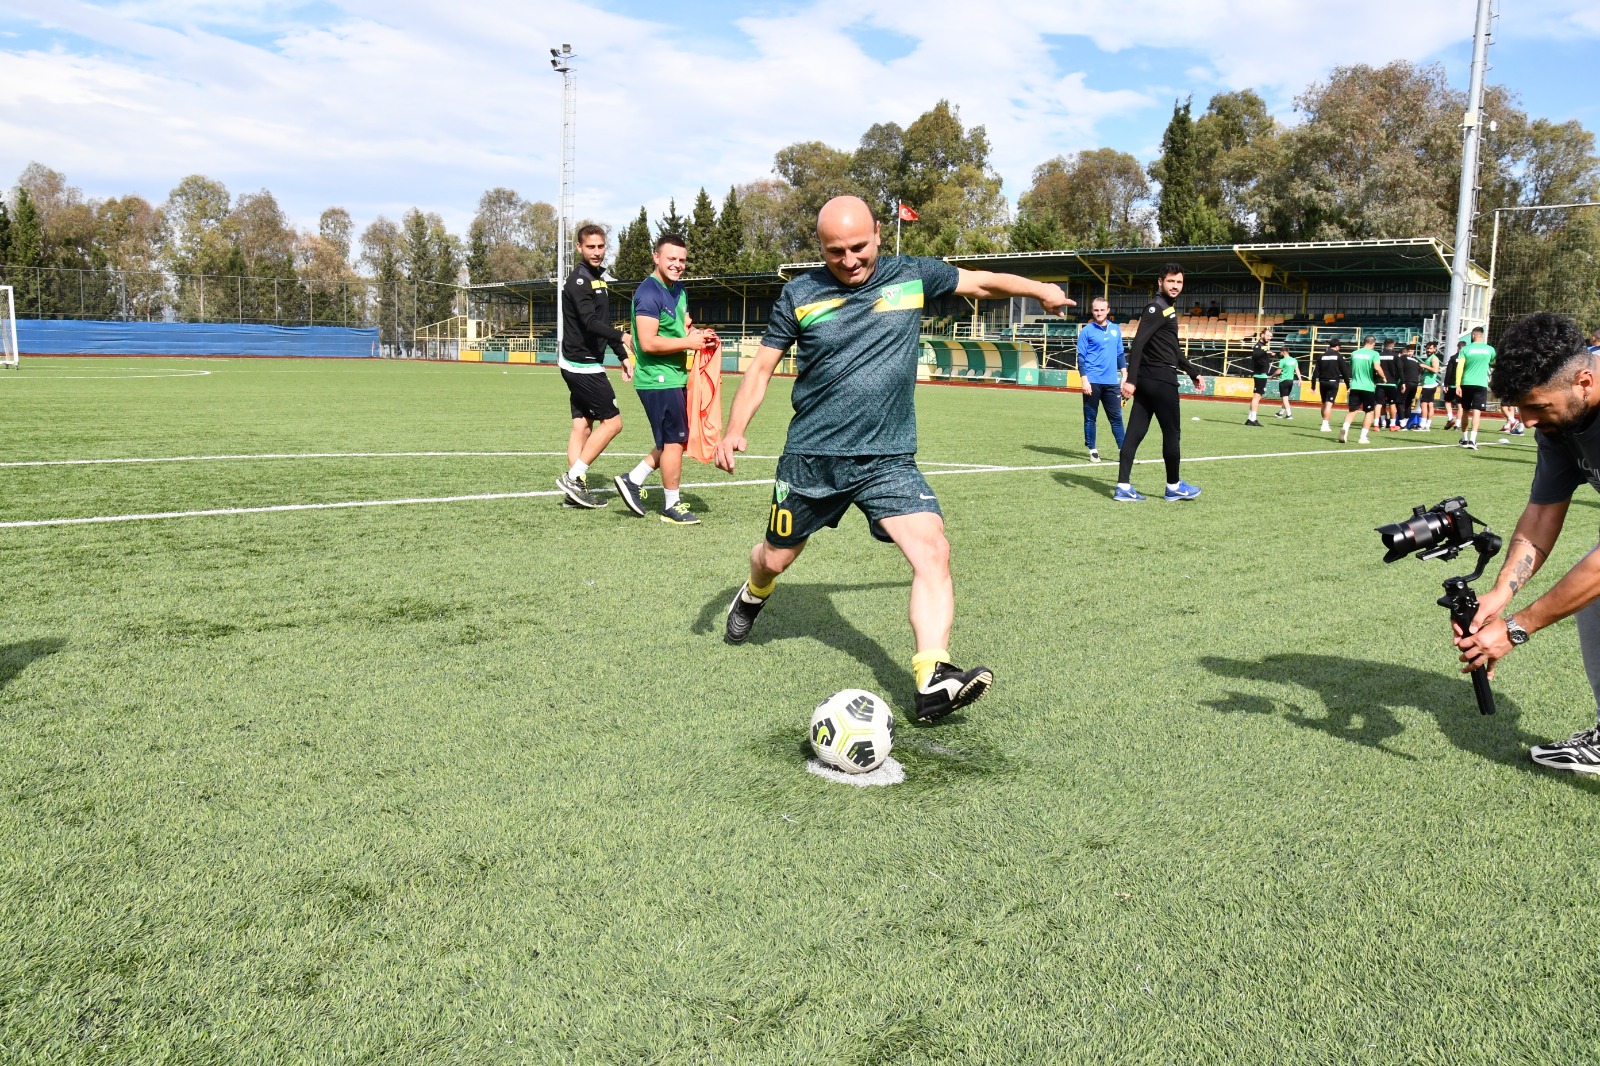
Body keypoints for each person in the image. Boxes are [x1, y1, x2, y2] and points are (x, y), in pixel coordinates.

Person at [715, 196, 1074, 722]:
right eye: (835, 251)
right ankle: (754, 593)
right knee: (775, 556)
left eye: (859, 246)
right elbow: (762, 367)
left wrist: (1039, 288)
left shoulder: (913, 276)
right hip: (812, 459)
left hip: (888, 458)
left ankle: (933, 677)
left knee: (932, 549)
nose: (850, 259)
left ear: (879, 234)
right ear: (820, 248)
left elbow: (979, 282)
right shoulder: (800, 293)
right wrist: (735, 429)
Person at [1455, 312, 1600, 773]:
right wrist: (1503, 592)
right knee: (1595, 602)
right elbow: (1541, 513)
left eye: (1538, 408)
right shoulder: (1560, 415)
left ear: (1584, 381)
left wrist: (1517, 628)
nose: (1529, 421)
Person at [615, 234, 714, 524]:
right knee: (674, 441)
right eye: (671, 258)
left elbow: (677, 330)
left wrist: (697, 336)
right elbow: (646, 342)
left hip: (673, 376)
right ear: (656, 258)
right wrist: (688, 343)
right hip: (657, 378)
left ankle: (633, 480)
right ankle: (672, 505)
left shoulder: (679, 290)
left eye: (682, 260)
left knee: (675, 439)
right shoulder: (648, 293)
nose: (677, 265)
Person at [553, 224, 634, 509]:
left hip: (582, 361)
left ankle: (573, 495)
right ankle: (575, 477)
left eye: (600, 246)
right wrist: (623, 337)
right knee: (613, 422)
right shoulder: (578, 281)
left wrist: (621, 355)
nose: (597, 252)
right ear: (579, 248)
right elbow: (589, 323)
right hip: (581, 363)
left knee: (582, 427)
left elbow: (604, 324)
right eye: (591, 247)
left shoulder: (599, 279)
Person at [1114, 263, 1207, 502]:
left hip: (1150, 380)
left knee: (1134, 433)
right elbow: (1138, 344)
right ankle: (1174, 486)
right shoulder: (1157, 308)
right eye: (1171, 281)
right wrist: (1130, 380)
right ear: (1160, 282)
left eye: (1179, 282)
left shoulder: (1167, 309)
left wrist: (1192, 371)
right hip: (1160, 380)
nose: (1175, 286)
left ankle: (1123, 487)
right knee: (1171, 434)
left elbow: (1172, 350)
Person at [1076, 296, 1126, 462]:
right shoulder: (1086, 331)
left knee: (1117, 418)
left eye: (1102, 310)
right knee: (1090, 417)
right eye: (1096, 310)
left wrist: (1124, 374)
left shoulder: (1116, 329)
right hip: (1092, 381)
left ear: (1108, 310)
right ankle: (1093, 450)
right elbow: (1081, 357)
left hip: (1111, 381)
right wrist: (1084, 380)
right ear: (1093, 311)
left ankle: (1123, 451)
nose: (1099, 313)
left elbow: (1120, 354)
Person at [1338, 336, 1384, 444]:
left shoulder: (1354, 353)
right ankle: (1363, 437)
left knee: (1353, 411)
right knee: (1369, 412)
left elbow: (1352, 367)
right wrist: (1383, 376)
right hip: (1367, 387)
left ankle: (1345, 427)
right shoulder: (1374, 354)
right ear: (1374, 343)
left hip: (1354, 386)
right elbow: (1377, 367)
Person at [1456, 325, 1496, 450]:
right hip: (1481, 384)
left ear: (1473, 336)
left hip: (1466, 383)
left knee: (1465, 411)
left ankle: (1464, 438)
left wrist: (1457, 384)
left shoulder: (1465, 349)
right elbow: (1494, 363)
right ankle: (1473, 440)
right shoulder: (1490, 349)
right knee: (1477, 412)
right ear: (1482, 336)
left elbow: (1460, 367)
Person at [1314, 339, 1348, 432]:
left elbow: (1315, 372)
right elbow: (1344, 372)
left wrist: (1313, 386)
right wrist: (1348, 385)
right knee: (1329, 403)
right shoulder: (1339, 356)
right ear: (1337, 347)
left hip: (1322, 382)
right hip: (1333, 382)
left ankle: (1325, 422)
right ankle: (1325, 424)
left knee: (1324, 403)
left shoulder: (1321, 356)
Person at [1245, 329, 1273, 427]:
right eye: (1268, 335)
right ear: (1262, 335)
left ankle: (1250, 418)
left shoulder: (1263, 346)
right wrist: (1265, 351)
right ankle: (1253, 419)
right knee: (1257, 396)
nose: (1269, 338)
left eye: (1270, 336)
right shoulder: (1258, 346)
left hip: (1262, 374)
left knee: (1257, 396)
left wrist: (1267, 352)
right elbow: (1255, 355)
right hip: (1260, 374)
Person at [1374, 338, 1400, 430]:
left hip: (1380, 383)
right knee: (1392, 404)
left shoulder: (1378, 355)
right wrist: (1402, 382)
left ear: (1383, 344)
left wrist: (1375, 380)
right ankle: (1392, 425)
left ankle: (1377, 424)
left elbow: (1374, 368)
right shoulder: (1395, 356)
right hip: (1391, 383)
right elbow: (1399, 370)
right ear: (1393, 345)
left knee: (1379, 404)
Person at [1417, 340, 1441, 431]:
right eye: (1427, 348)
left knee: (1424, 405)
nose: (1428, 350)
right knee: (1430, 404)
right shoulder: (1429, 358)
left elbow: (1435, 370)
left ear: (1434, 349)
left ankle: (1422, 425)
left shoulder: (1434, 358)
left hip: (1429, 385)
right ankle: (1427, 425)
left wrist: (1424, 366)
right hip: (1429, 384)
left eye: (1430, 348)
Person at [1398, 341, 1422, 429]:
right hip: (1415, 383)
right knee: (1408, 403)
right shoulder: (1415, 361)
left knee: (1399, 402)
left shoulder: (1403, 358)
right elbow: (1420, 371)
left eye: (1412, 351)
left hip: (1407, 382)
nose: (1410, 353)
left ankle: (1402, 424)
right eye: (1409, 351)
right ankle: (1406, 423)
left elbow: (1399, 369)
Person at [1441, 340, 1464, 430]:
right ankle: (1457, 425)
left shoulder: (1453, 358)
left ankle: (1450, 418)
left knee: (1447, 401)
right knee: (1460, 404)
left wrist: (1445, 384)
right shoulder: (1466, 358)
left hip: (1451, 384)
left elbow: (1448, 372)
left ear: (1458, 347)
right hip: (1462, 385)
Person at [1275, 346, 1302, 419]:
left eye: (1280, 352)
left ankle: (1289, 414)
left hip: (1283, 380)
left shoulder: (1282, 360)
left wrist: (1271, 376)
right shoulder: (1294, 360)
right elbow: (1297, 370)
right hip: (1290, 381)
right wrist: (1300, 379)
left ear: (1283, 352)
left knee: (1285, 398)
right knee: (1286, 397)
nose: (1280, 353)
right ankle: (1280, 413)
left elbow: (1278, 371)